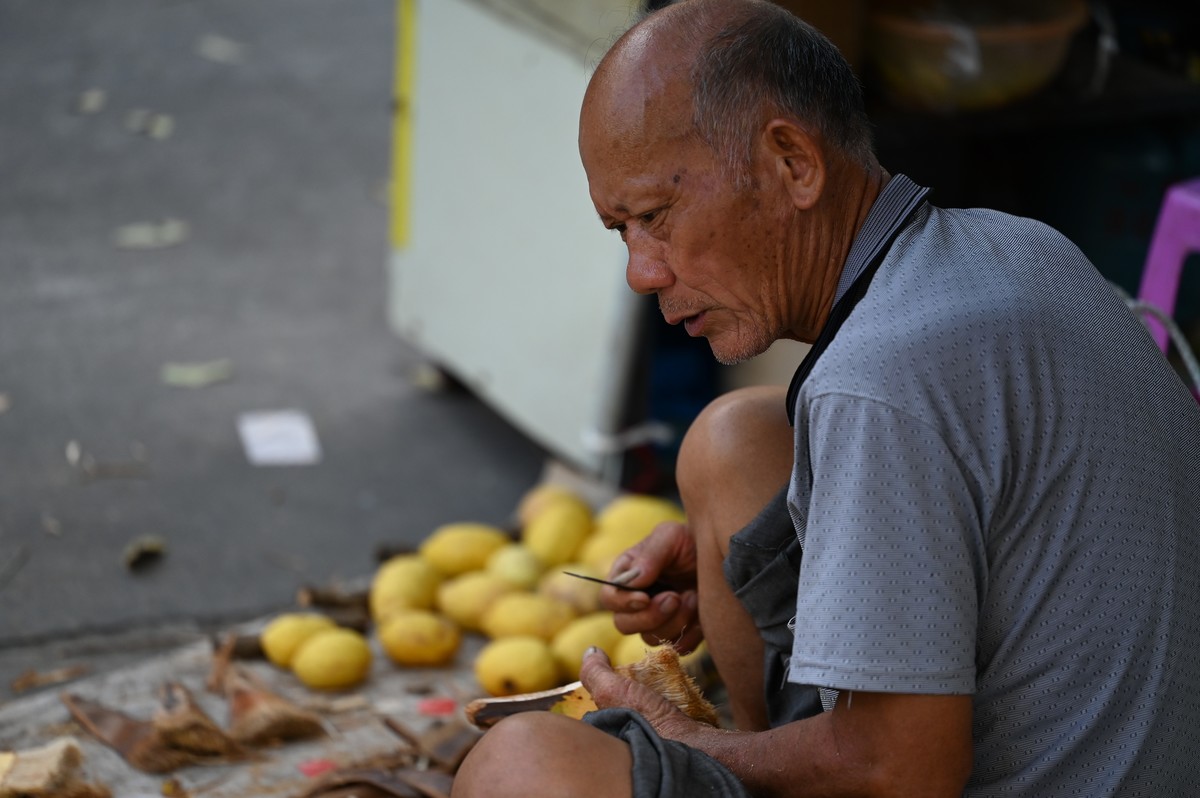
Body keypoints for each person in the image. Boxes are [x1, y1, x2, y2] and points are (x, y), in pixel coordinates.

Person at [451, 0, 1200, 795]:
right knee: (736, 441)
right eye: (621, 232)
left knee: (520, 768)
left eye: (655, 217)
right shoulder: (1021, 246)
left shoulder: (878, 378)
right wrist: (813, 539)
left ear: (793, 164)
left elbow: (902, 768)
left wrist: (683, 739)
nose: (642, 271)